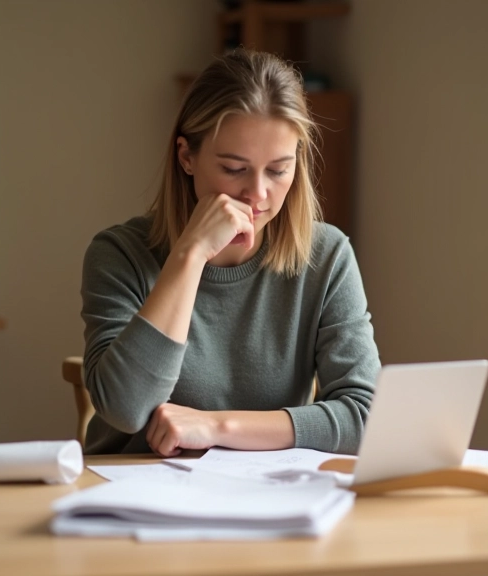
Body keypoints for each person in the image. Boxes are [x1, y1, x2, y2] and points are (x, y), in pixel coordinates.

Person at [80, 49, 380, 457]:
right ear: (187, 157)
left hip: (267, 500)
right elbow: (127, 409)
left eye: (278, 170)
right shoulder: (119, 255)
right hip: (137, 497)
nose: (257, 194)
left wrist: (217, 426)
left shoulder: (327, 257)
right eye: (234, 169)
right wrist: (190, 255)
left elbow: (366, 417)